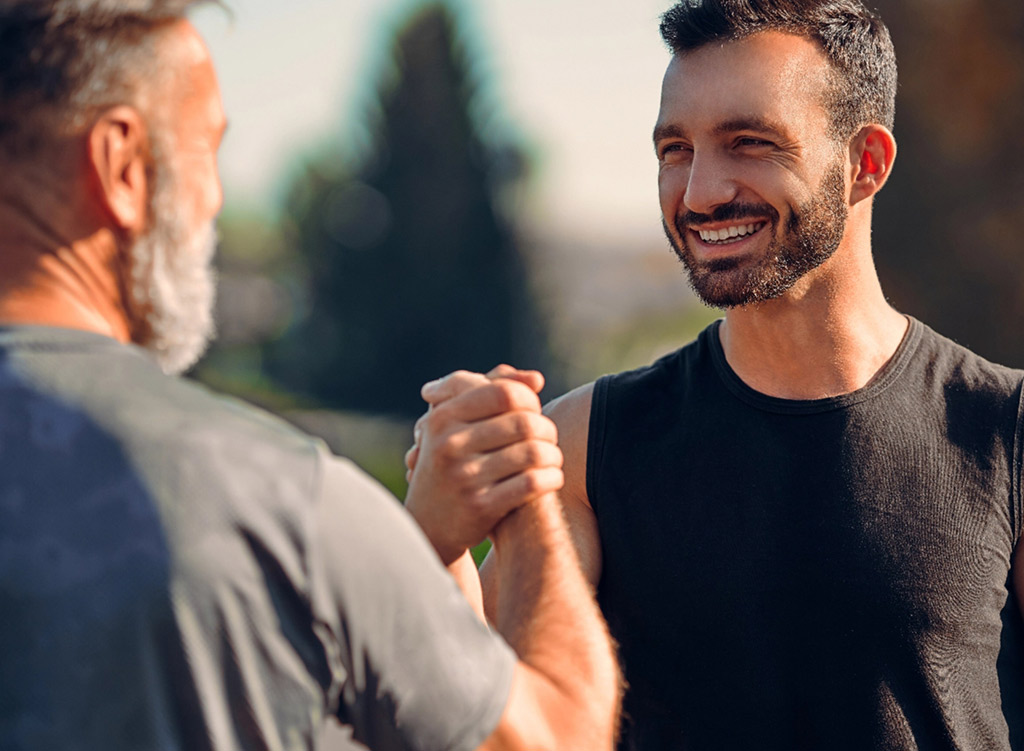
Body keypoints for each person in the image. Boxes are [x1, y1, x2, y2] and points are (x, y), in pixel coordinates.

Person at [0, 2, 619, 750]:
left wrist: (417, 554)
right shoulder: (273, 500)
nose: (214, 203)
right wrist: (525, 494)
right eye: (206, 151)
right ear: (122, 167)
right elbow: (557, 734)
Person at [414, 0, 1024, 748]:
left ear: (865, 164)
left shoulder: (1006, 432)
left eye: (750, 142)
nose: (700, 193)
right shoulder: (581, 449)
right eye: (676, 149)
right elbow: (486, 725)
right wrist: (434, 543)